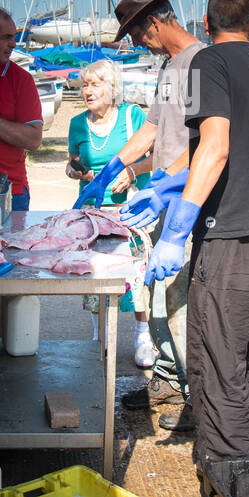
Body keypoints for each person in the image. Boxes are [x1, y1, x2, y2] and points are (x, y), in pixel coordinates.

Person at [142, 0, 249, 491]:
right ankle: (245, 455)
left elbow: (218, 146)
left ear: (206, 25)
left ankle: (230, 487)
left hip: (232, 242)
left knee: (220, 362)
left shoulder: (207, 63)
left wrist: (177, 228)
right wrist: (164, 187)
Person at [78, 0, 204, 429]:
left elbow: (209, 143)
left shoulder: (200, 65)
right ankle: (168, 375)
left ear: (154, 23)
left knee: (182, 298)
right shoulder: (169, 66)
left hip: (187, 200)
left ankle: (199, 398)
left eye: (134, 35)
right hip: (161, 198)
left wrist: (170, 188)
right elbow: (152, 127)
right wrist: (114, 167)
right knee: (153, 294)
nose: (133, 44)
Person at [65, 58, 153, 360]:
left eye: (95, 84)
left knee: (137, 277)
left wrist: (130, 172)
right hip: (91, 213)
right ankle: (98, 334)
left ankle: (142, 337)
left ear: (112, 87)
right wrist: (75, 172)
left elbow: (159, 157)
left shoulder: (132, 116)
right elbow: (71, 162)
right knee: (94, 276)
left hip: (130, 209)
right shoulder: (77, 124)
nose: (88, 91)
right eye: (85, 85)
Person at [0, 8, 43, 209]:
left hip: (6, 195)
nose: (13, 44)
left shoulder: (21, 80)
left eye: (13, 37)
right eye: (5, 37)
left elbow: (33, 139)